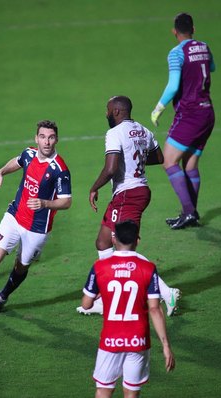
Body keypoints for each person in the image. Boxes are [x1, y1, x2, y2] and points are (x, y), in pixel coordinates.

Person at [77, 96, 180, 316]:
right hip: (136, 192)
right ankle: (105, 297)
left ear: (116, 112)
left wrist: (94, 187)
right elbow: (159, 157)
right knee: (103, 242)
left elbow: (111, 168)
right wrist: (137, 159)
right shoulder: (144, 131)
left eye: (107, 111)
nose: (106, 114)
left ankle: (165, 291)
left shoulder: (115, 133)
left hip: (128, 194)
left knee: (125, 248)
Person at [0, 120, 72, 314]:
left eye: (51, 137)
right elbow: (18, 161)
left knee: (21, 267)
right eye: (43, 137)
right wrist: (1, 172)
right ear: (36, 139)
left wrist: (44, 203)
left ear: (56, 139)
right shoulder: (29, 153)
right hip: (15, 216)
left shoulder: (59, 169)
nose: (47, 142)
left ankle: (2, 296)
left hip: (38, 228)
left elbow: (66, 201)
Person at [81, 220, 175, 398]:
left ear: (114, 239)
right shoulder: (148, 268)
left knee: (103, 390)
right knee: (131, 392)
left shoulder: (100, 267)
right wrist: (166, 345)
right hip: (138, 340)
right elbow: (155, 309)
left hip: (110, 340)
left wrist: (99, 293)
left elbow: (86, 304)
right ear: (137, 241)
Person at [150, 12, 216, 230]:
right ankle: (190, 214)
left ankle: (189, 211)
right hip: (207, 113)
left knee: (168, 161)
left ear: (174, 31)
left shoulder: (176, 53)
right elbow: (211, 68)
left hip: (190, 115)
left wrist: (158, 108)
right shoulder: (204, 47)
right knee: (190, 164)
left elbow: (173, 85)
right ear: (193, 29)